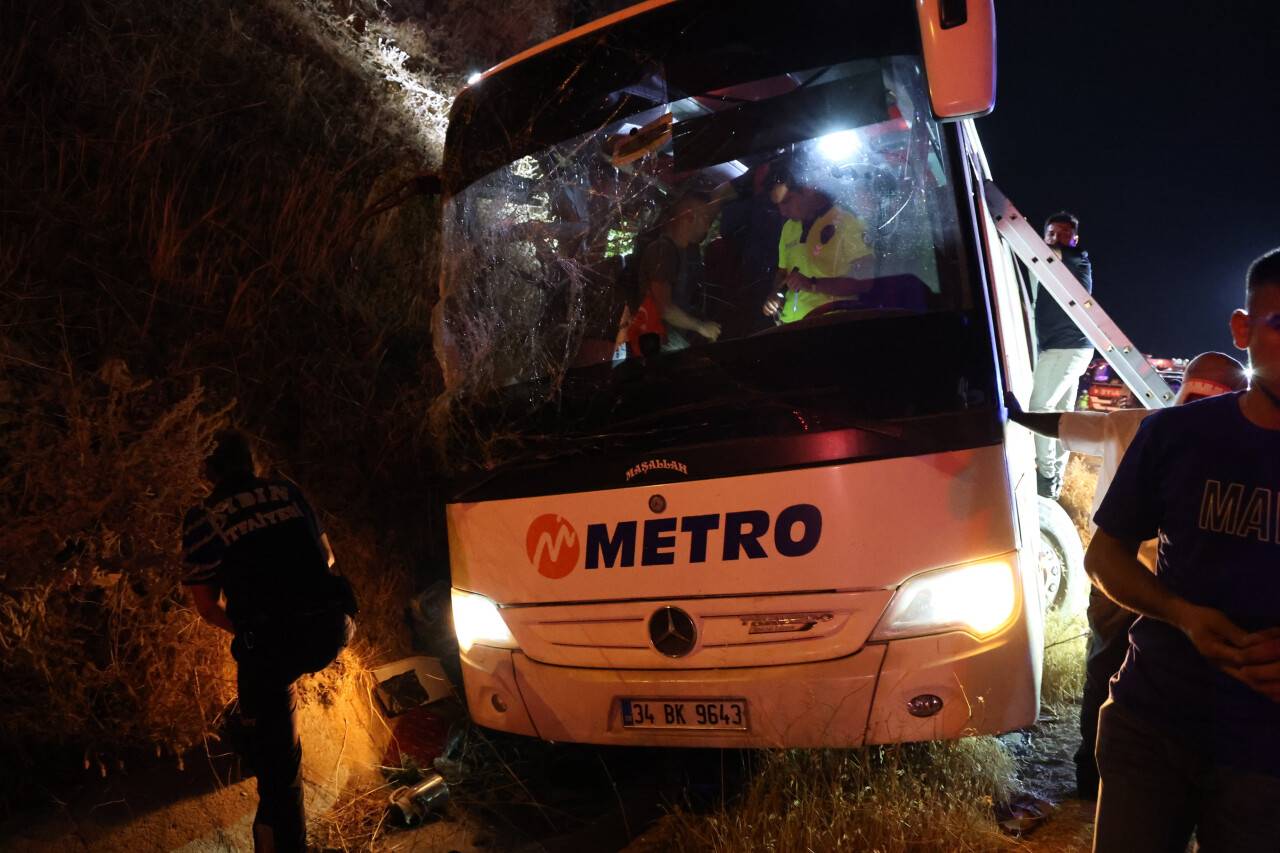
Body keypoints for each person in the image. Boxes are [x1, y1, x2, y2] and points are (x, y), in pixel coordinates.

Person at [1084, 248, 1280, 852]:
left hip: (1267, 756)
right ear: (1243, 329)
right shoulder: (1176, 434)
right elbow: (1104, 558)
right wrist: (1183, 615)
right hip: (1154, 724)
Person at [1007, 351, 1249, 799]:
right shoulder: (1232, 445)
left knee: (1105, 672)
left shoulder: (1133, 424)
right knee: (1160, 680)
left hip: (1120, 582)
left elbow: (1062, 424)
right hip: (1163, 586)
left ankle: (1094, 778)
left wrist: (1014, 414)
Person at [183, 431, 356, 853]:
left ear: (207, 471)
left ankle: (284, 836)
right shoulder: (286, 491)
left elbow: (207, 606)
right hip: (334, 625)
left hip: (276, 645)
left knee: (279, 768)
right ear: (253, 462)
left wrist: (246, 629)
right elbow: (327, 558)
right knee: (270, 676)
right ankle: (264, 734)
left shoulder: (203, 518)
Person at [1029, 211, 1095, 500]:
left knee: (1038, 409)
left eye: (1064, 234)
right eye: (1052, 233)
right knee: (1062, 418)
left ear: (1075, 239)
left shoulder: (1077, 258)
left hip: (1065, 349)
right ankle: (1054, 479)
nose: (1057, 238)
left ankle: (1045, 476)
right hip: (1067, 349)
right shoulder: (1049, 263)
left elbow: (1049, 252)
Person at [760, 166, 877, 324]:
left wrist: (813, 284)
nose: (782, 212)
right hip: (788, 325)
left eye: (787, 202)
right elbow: (782, 272)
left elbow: (864, 282)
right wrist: (774, 294)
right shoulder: (788, 227)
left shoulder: (848, 220)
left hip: (829, 321)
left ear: (808, 189)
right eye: (778, 205)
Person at [626, 190, 722, 354]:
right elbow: (664, 308)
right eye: (705, 219)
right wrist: (701, 327)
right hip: (653, 344)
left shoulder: (684, 253)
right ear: (688, 217)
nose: (707, 226)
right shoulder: (662, 250)